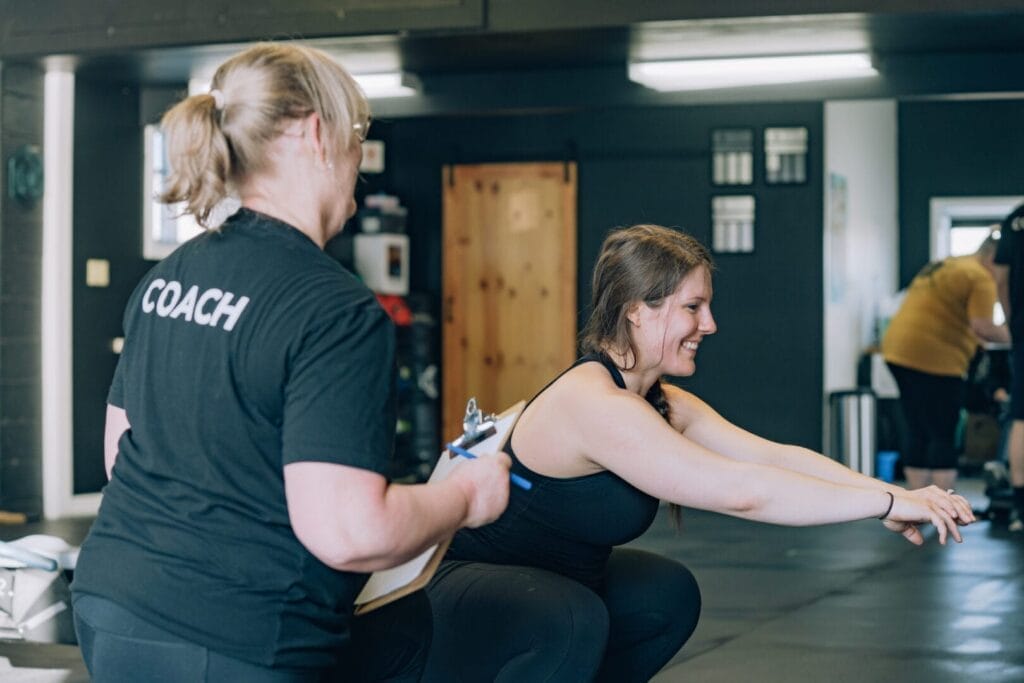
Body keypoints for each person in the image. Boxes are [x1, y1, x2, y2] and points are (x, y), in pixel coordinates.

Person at [70, 42, 511, 682]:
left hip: (113, 603)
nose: (360, 161)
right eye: (358, 135)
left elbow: (121, 456)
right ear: (314, 132)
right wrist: (465, 496)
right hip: (231, 638)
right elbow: (348, 531)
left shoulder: (169, 276)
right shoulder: (336, 311)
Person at [423, 224, 975, 682]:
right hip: (461, 587)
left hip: (553, 581)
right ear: (637, 310)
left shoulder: (660, 399)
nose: (708, 325)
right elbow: (745, 494)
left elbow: (771, 458)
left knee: (666, 595)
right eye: (694, 307)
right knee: (571, 619)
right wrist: (880, 506)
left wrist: (897, 495)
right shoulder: (596, 405)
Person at [882, 234, 1010, 491]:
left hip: (897, 350)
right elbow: (983, 326)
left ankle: (918, 502)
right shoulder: (980, 277)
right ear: (994, 257)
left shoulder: (949, 264)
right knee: (943, 431)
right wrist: (1017, 335)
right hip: (934, 357)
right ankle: (944, 505)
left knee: (917, 427)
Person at [994, 204, 1024, 531]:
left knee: (1021, 417)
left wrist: (1013, 322)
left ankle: (1020, 508)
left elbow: (1001, 281)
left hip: (1023, 331)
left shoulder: (1016, 217)